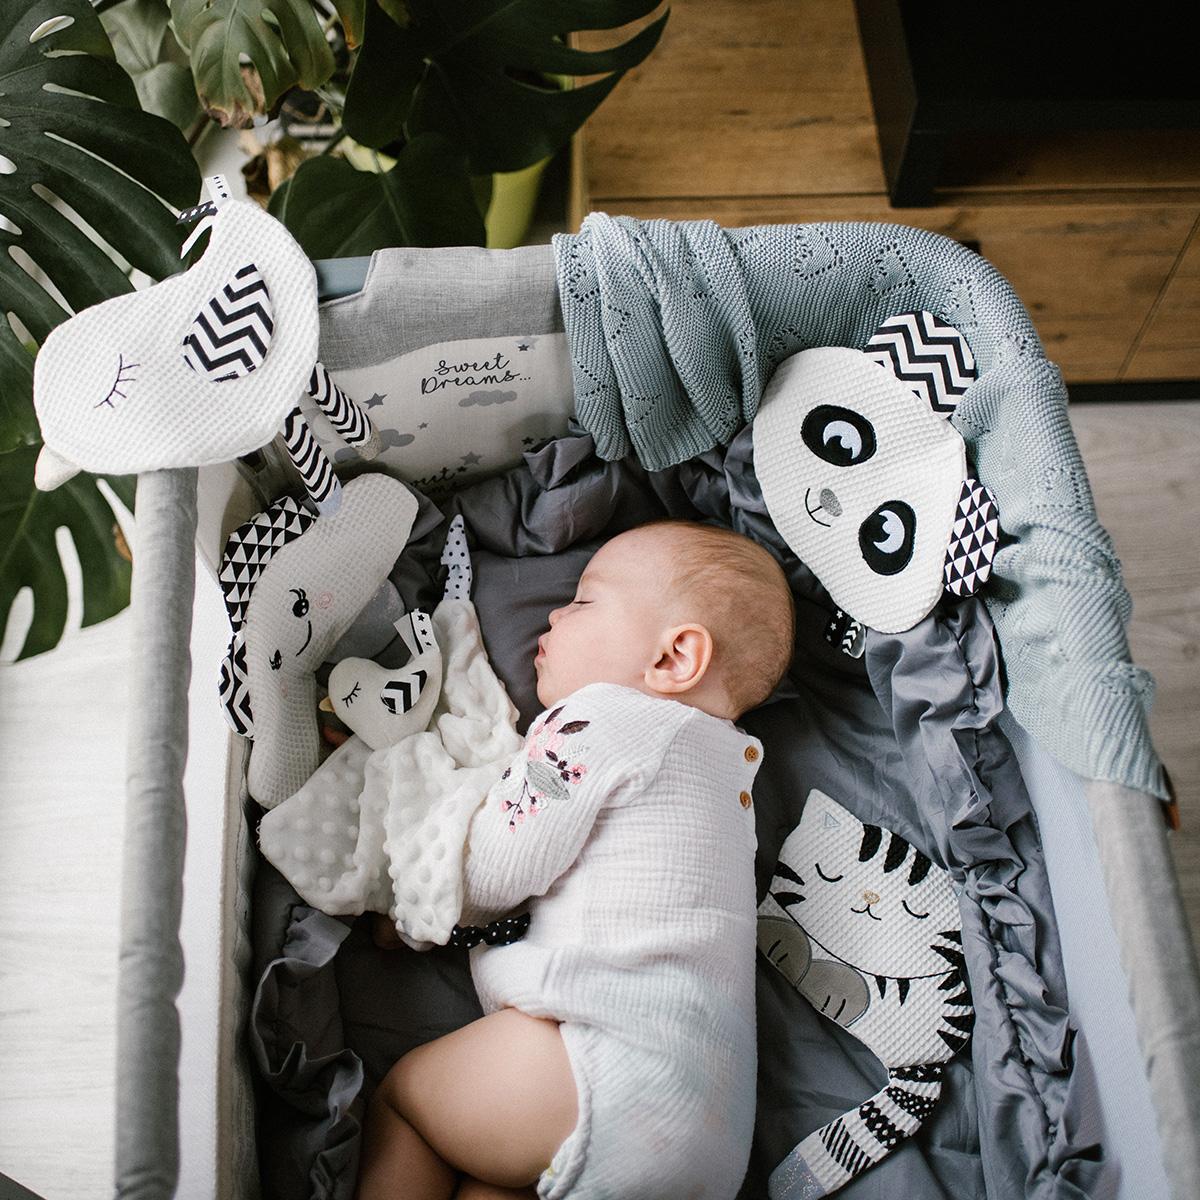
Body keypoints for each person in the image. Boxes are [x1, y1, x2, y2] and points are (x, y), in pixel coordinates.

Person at [355, 517, 796, 1200]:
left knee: (408, 1104)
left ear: (673, 658)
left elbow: (491, 870)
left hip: (606, 1056)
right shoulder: (723, 772)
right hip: (708, 1139)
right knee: (486, 1182)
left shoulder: (602, 717)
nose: (555, 614)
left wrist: (411, 909)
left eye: (584, 601)